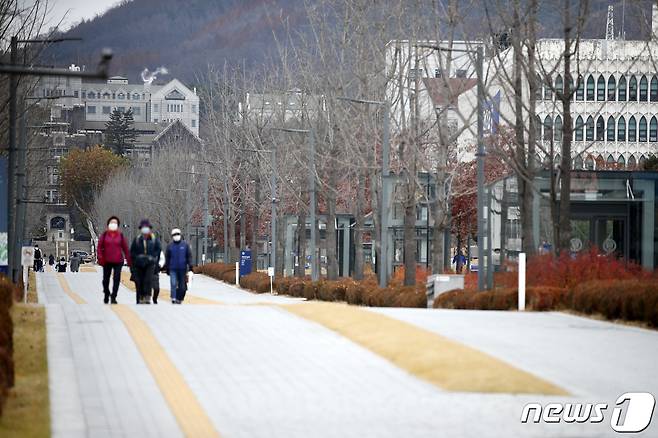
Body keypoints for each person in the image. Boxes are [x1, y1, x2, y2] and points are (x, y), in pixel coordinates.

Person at [97, 216, 132, 304]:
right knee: (106, 279)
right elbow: (99, 247)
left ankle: (114, 296)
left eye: (115, 223)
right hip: (107, 260)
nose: (113, 224)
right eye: (111, 223)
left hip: (118, 261)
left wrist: (129, 260)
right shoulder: (104, 235)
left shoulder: (120, 235)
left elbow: (125, 248)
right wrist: (100, 257)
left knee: (116, 279)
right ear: (108, 224)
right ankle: (106, 292)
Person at [130, 219, 162, 305]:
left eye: (147, 228)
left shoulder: (154, 239)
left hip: (150, 264)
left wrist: (154, 260)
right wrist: (135, 261)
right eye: (143, 228)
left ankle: (147, 296)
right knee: (139, 281)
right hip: (139, 264)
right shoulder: (137, 240)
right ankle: (141, 296)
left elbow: (158, 250)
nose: (145, 229)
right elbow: (132, 252)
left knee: (148, 280)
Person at [164, 228, 193, 304]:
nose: (176, 236)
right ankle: (173, 297)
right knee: (173, 283)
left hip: (182, 269)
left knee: (182, 286)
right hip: (172, 268)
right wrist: (166, 267)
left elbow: (189, 256)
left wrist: (190, 266)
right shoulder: (170, 246)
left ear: (180, 235)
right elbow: (167, 257)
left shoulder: (185, 245)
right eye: (174, 235)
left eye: (177, 234)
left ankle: (179, 298)